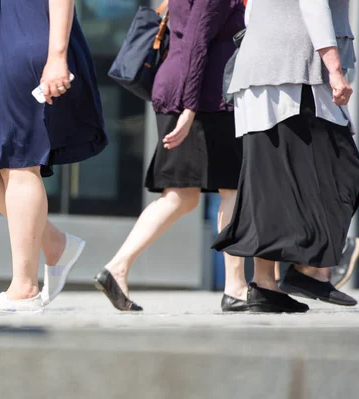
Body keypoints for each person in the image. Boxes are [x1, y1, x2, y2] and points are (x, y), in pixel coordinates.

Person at [0, 0, 107, 314]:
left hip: (28, 38)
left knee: (19, 162)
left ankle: (25, 288)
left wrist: (57, 56)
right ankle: (53, 242)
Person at [93, 0, 247, 312]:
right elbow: (196, 42)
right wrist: (189, 108)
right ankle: (235, 287)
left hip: (187, 94)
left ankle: (117, 267)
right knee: (231, 188)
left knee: (181, 195)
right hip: (201, 100)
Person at [213, 0, 359, 313]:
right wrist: (335, 69)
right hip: (288, 74)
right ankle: (309, 271)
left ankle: (267, 285)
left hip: (272, 74)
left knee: (273, 185)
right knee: (342, 169)